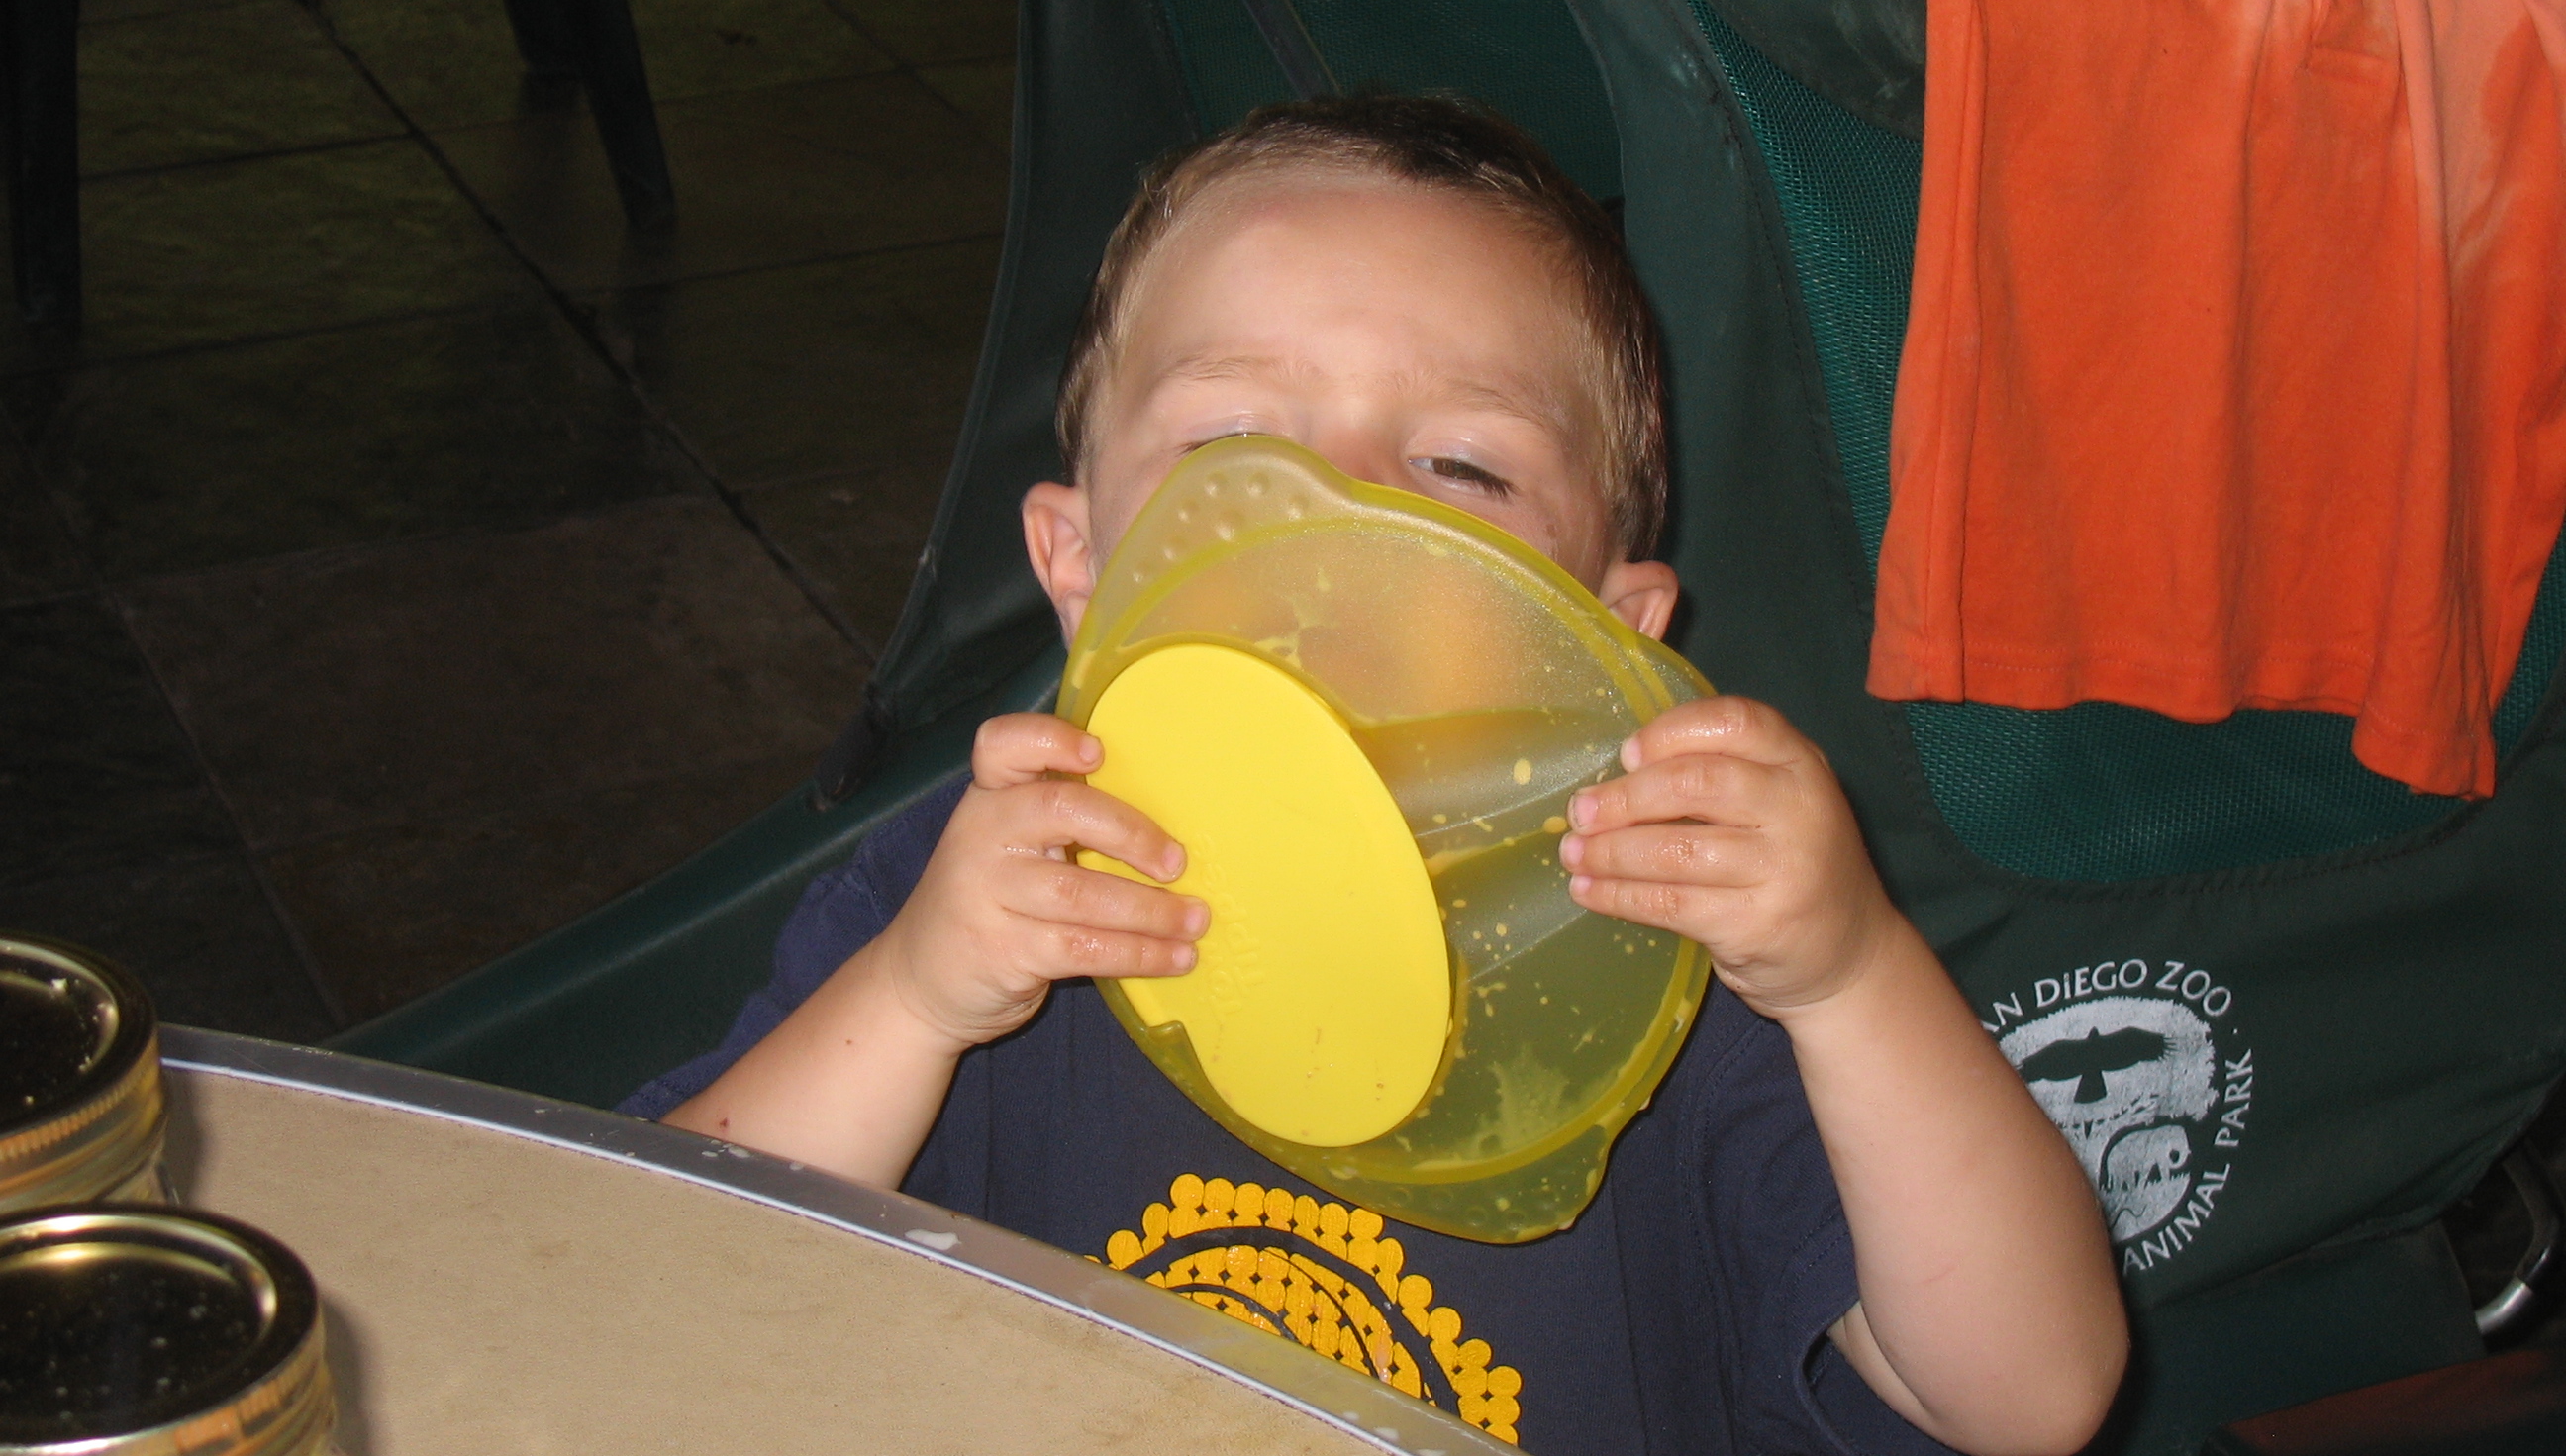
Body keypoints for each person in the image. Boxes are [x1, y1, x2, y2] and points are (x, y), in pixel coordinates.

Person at [631, 95, 2126, 1455]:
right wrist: (913, 999)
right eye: (1228, 440)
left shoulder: (1680, 960)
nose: (1335, 509)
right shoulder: (981, 902)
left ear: (1612, 633)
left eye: (1462, 467)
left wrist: (1850, 977)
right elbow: (652, 1291)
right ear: (1076, 566)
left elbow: (2031, 1400)